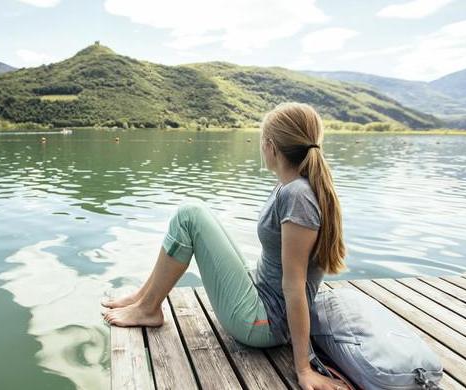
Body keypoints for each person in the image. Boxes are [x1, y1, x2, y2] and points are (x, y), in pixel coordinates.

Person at [101, 102, 347, 390]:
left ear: (270, 146)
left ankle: (148, 308)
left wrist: (303, 368)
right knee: (196, 214)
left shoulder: (297, 196)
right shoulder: (290, 187)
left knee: (189, 215)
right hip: (261, 299)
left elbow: (295, 286)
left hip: (264, 323)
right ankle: (144, 299)